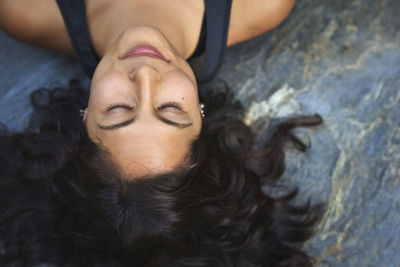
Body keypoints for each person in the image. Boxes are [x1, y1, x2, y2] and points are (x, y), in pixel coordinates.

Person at [0, 0, 324, 266]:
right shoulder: (260, 6)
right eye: (170, 108)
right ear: (201, 115)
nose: (144, 76)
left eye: (118, 110)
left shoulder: (25, 11)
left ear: (83, 118)